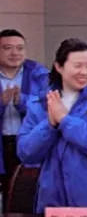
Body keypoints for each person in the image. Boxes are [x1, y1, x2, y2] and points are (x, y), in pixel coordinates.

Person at [17, 39, 87, 215]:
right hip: (53, 203)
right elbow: (26, 152)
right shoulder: (40, 104)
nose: (85, 72)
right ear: (59, 67)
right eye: (77, 66)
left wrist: (64, 120)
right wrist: (50, 124)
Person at [0, 29, 50, 204]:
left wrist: (22, 101)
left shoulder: (39, 74)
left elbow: (47, 106)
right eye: (7, 48)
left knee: (26, 193)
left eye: (20, 48)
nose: (15, 53)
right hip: (2, 144)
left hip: (28, 142)